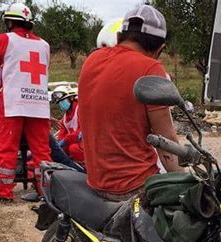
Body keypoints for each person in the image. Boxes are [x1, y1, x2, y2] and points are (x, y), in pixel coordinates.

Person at [78, 5, 182, 202]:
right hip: (135, 187)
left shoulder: (91, 60)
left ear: (119, 37)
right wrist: (185, 182)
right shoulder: (151, 68)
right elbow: (166, 143)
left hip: (95, 183)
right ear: (160, 48)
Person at [0, 3, 51, 202]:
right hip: (38, 103)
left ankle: (4, 192)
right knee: (42, 151)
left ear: (9, 22)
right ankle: (45, 192)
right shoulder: (44, 45)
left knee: (7, 147)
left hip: (14, 103)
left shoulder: (4, 39)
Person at [52, 86, 84, 164]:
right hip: (75, 143)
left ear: (71, 98)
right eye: (59, 103)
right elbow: (62, 133)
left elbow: (84, 130)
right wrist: (58, 144)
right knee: (59, 151)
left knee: (73, 149)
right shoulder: (65, 118)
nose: (61, 104)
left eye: (62, 101)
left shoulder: (80, 110)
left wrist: (66, 139)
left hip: (85, 143)